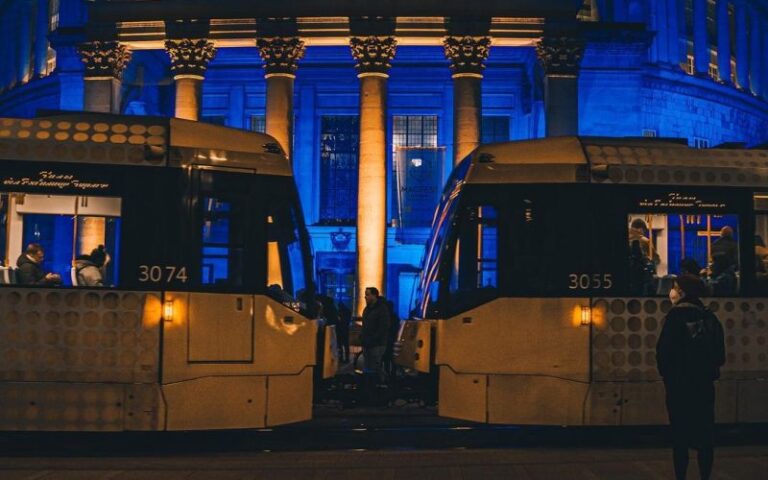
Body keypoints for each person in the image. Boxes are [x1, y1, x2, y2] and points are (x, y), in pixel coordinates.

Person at [656, 274, 725, 480]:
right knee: (705, 438)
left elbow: (663, 353)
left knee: (680, 438)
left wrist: (669, 378)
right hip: (703, 386)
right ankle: (705, 475)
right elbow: (720, 355)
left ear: (682, 292)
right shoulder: (710, 317)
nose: (672, 291)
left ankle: (681, 476)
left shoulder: (674, 318)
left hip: (678, 387)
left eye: (675, 287)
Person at [360, 287, 389, 381]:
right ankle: (371, 383)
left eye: (368, 294)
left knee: (376, 366)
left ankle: (381, 382)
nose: (365, 297)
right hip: (367, 343)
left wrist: (373, 339)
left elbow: (383, 327)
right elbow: (365, 325)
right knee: (368, 366)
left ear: (374, 295)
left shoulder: (382, 309)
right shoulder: (366, 309)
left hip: (377, 344)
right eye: (365, 294)